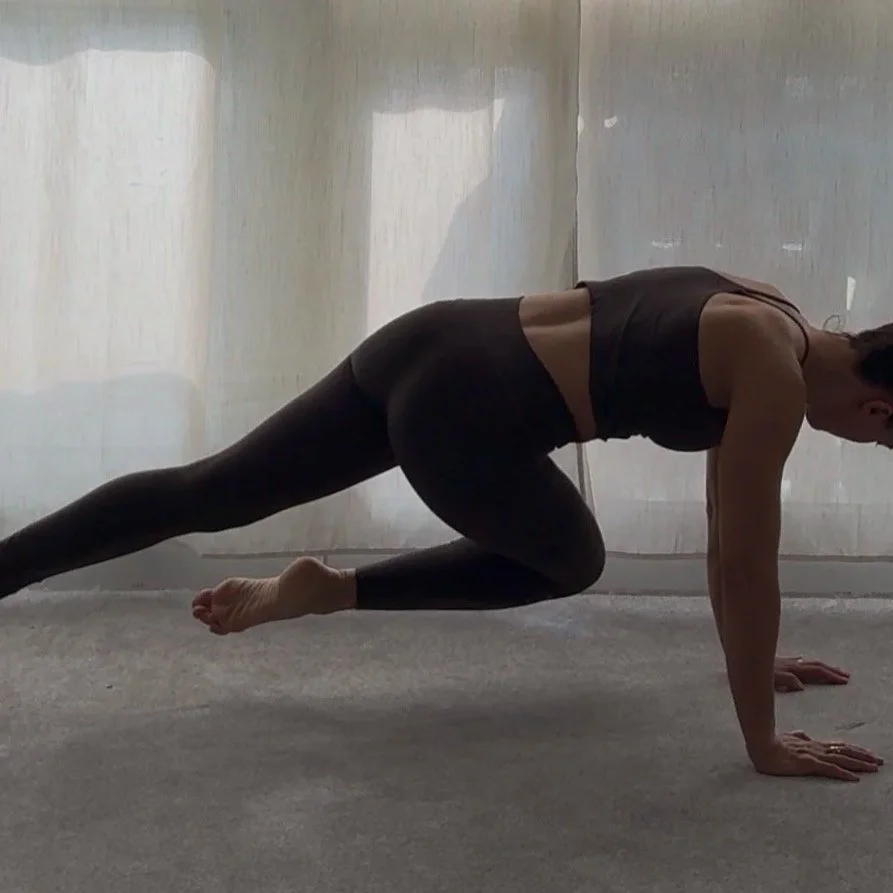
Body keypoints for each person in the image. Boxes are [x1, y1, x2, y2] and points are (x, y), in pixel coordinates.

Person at [0, 265, 885, 782]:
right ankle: (335, 590)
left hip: (430, 341)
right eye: (884, 440)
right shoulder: (772, 378)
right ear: (880, 409)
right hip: (468, 412)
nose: (870, 445)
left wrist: (751, 659)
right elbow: (743, 562)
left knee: (209, 488)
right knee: (569, 559)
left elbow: (726, 531)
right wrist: (762, 742)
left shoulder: (765, 308)